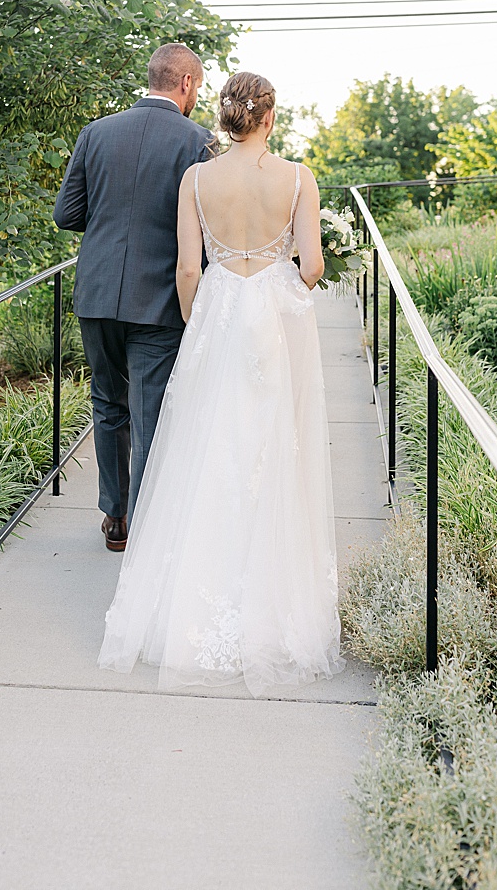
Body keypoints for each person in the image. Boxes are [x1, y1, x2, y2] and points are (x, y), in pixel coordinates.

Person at [97, 70, 343, 695]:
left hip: (216, 318)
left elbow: (187, 267)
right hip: (274, 328)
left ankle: (189, 604)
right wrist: (275, 287)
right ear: (268, 118)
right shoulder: (298, 178)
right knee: (273, 450)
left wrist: (200, 318)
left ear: (229, 117)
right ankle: (274, 603)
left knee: (209, 452)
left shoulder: (197, 178)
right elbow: (310, 266)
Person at [53, 42, 213, 552]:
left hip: (97, 294)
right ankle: (144, 530)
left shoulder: (96, 133)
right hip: (159, 300)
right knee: (149, 415)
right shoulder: (198, 142)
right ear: (186, 84)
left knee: (107, 405)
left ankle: (115, 516)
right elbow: (207, 228)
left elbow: (66, 215)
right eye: (198, 89)